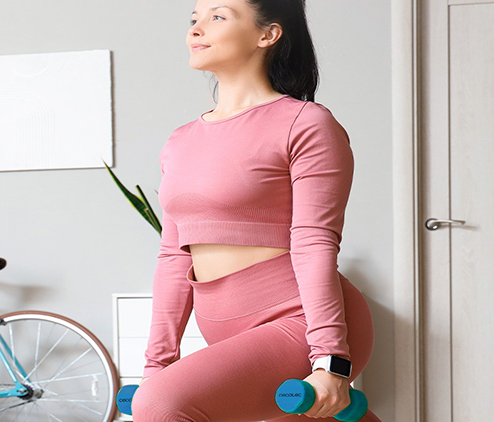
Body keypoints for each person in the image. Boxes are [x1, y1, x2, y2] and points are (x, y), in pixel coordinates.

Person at [131, 0, 381, 420]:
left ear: (268, 34)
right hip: (225, 327)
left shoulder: (305, 123)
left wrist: (330, 360)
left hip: (300, 322)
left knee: (160, 406)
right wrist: (157, 364)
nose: (196, 29)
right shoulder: (180, 141)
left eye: (217, 16)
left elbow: (314, 241)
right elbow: (174, 256)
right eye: (194, 19)